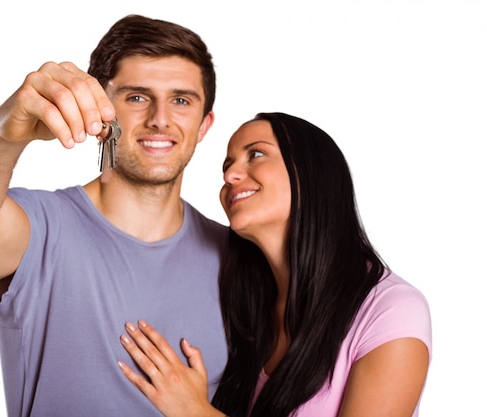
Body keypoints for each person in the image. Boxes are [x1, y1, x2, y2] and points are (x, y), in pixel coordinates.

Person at [0, 14, 229, 417]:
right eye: (137, 97)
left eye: (181, 100)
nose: (160, 118)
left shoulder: (235, 254)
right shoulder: (43, 228)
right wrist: (1, 130)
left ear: (204, 124)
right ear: (102, 108)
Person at [118, 112, 432, 417]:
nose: (230, 176)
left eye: (256, 154)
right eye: (227, 166)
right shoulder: (247, 308)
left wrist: (195, 411)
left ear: (311, 172)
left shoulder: (391, 310)